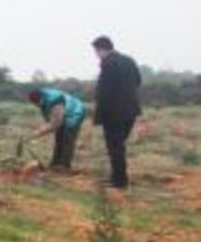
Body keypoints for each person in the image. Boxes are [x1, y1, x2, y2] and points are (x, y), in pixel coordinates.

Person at [92, 36, 142, 189]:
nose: (96, 55)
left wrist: (98, 116)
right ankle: (117, 178)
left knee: (115, 147)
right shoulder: (129, 60)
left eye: (96, 51)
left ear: (101, 49)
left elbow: (104, 92)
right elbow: (138, 81)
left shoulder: (108, 63)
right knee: (118, 146)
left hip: (113, 114)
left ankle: (119, 181)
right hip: (131, 111)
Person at [24, 88, 87, 170]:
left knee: (67, 137)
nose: (34, 106)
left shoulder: (54, 101)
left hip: (74, 112)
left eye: (33, 104)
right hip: (64, 114)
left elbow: (56, 123)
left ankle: (64, 166)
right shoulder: (45, 100)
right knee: (59, 138)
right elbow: (51, 120)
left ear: (37, 100)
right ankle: (55, 163)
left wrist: (37, 133)